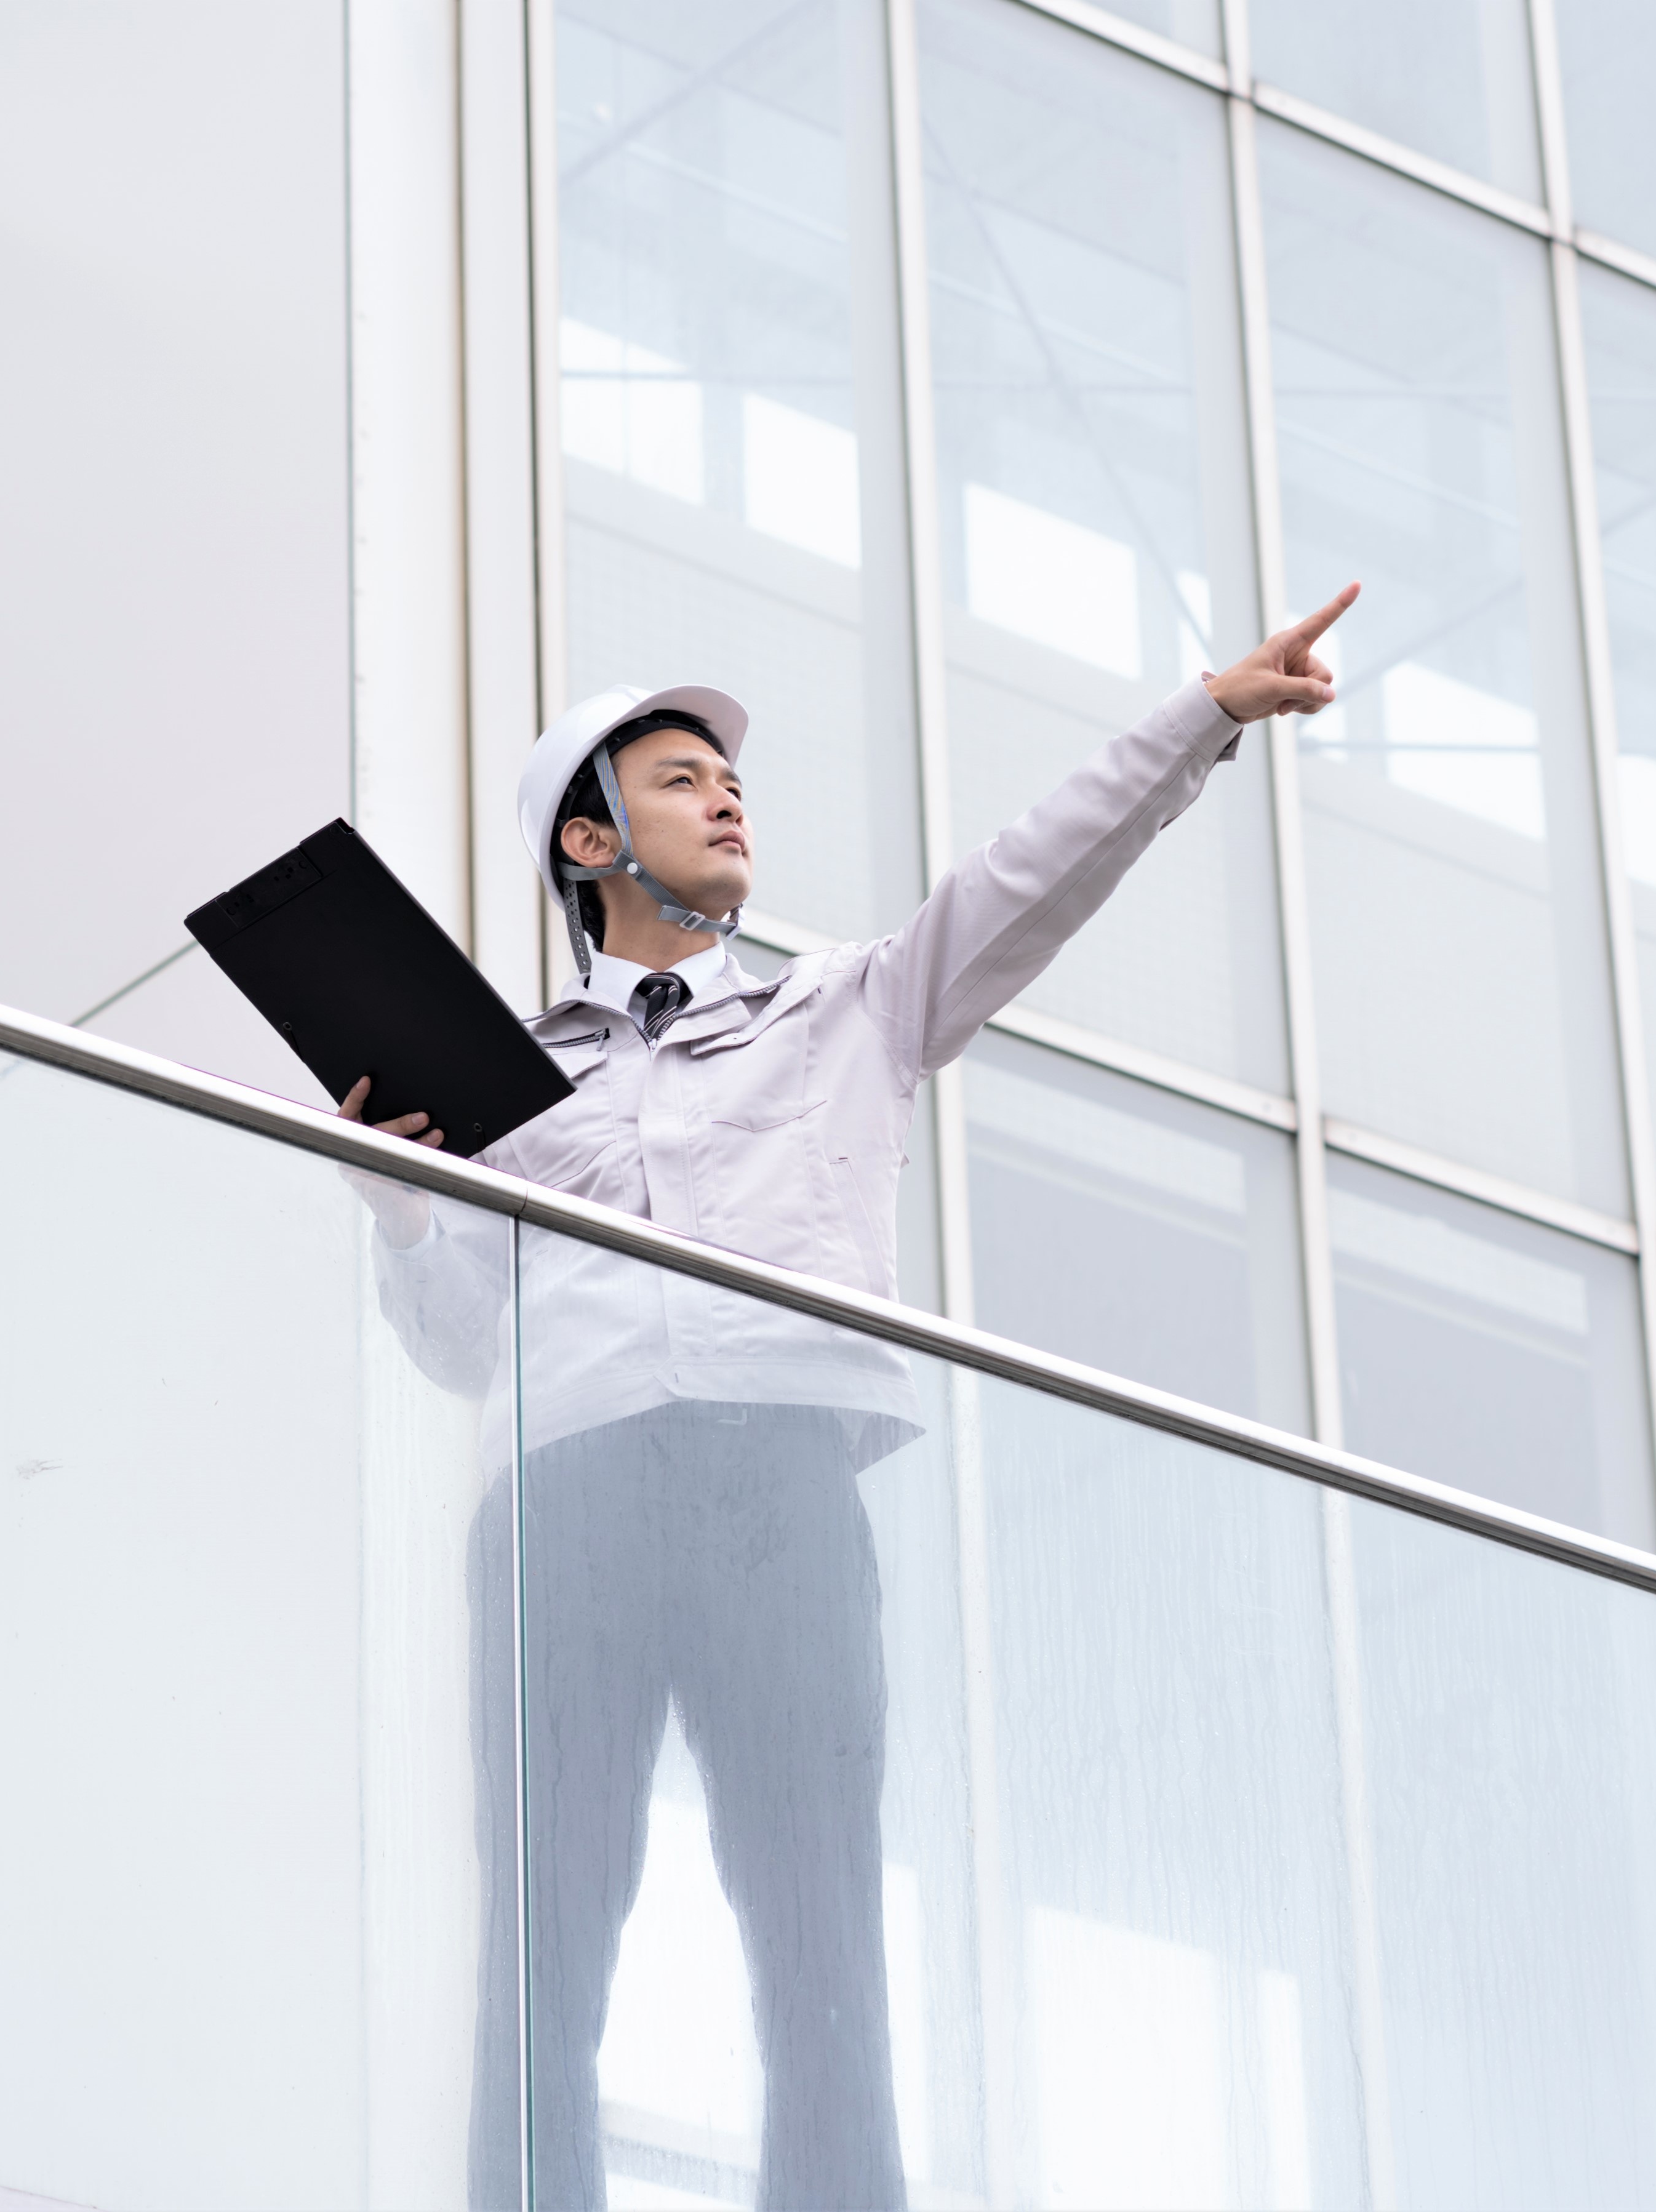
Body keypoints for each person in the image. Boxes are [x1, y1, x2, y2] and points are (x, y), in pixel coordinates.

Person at [342, 586, 1358, 2211]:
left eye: (729, 780)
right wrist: (400, 1207)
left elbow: (1033, 872)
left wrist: (1205, 716)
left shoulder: (846, 1007)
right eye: (679, 780)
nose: (727, 799)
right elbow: (468, 1346)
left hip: (780, 1489)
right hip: (564, 1505)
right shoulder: (503, 1082)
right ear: (591, 845)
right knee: (546, 1930)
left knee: (819, 1927)